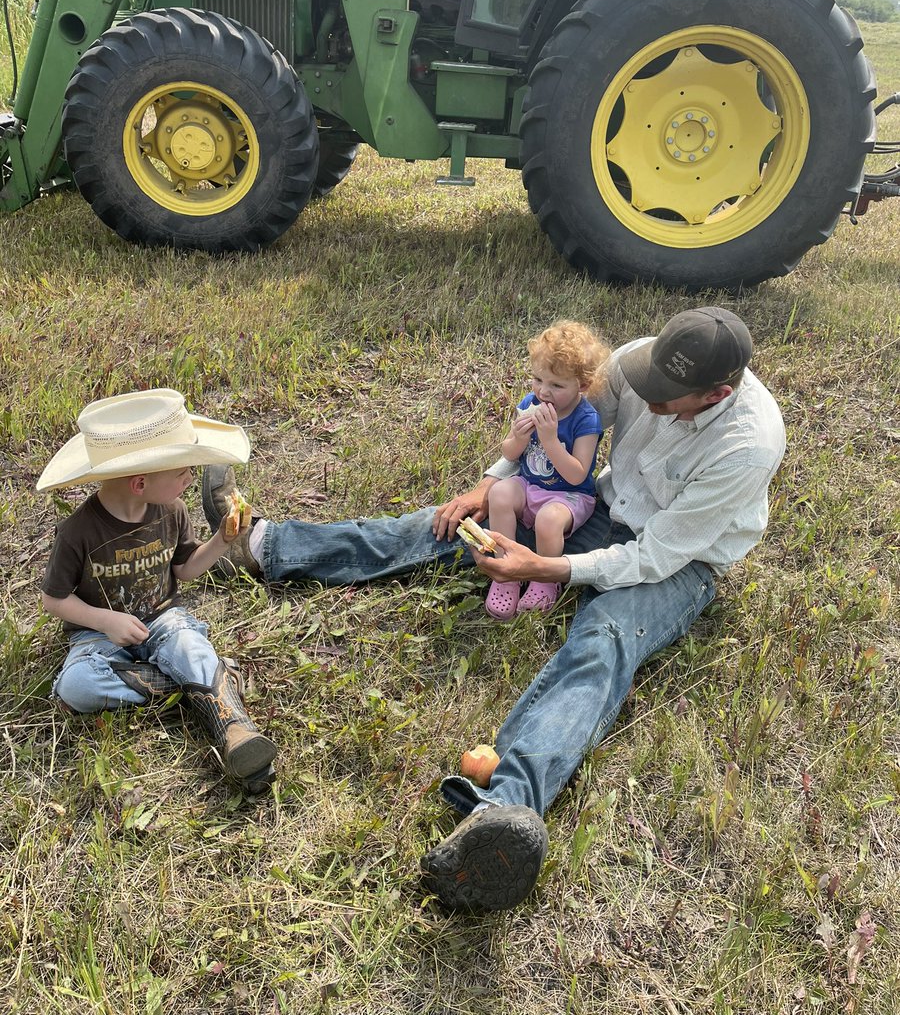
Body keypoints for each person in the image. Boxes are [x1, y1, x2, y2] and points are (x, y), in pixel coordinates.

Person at [202, 307, 786, 906]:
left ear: (715, 394)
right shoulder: (644, 363)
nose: (647, 392)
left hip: (678, 560)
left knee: (605, 640)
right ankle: (265, 546)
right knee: (455, 528)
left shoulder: (746, 445)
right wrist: (489, 484)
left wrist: (541, 567)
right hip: (599, 510)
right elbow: (556, 424)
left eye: (664, 395)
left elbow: (655, 557)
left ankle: (503, 810)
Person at [38, 388, 277, 794]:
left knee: (187, 643)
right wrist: (105, 620)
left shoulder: (172, 511)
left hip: (163, 618)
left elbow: (185, 569)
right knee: (76, 685)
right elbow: (54, 598)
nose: (190, 479)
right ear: (139, 483)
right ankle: (203, 684)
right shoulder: (78, 531)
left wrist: (222, 540)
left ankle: (236, 730)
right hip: (98, 637)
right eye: (182, 472)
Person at [484, 320, 608, 619]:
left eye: (556, 385)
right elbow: (509, 453)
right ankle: (506, 571)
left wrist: (550, 440)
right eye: (538, 379)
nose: (543, 391)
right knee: (499, 493)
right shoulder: (530, 402)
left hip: (569, 497)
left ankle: (544, 579)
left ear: (583, 386)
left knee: (548, 520)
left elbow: (577, 474)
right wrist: (518, 437)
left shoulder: (586, 419)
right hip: (530, 486)